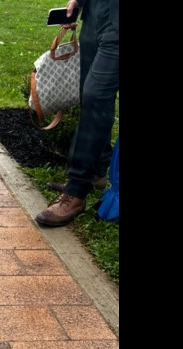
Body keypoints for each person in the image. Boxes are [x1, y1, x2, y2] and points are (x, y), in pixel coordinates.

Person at [36, 0, 119, 227]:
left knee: (95, 95)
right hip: (94, 14)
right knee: (89, 97)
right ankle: (98, 171)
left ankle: (76, 190)